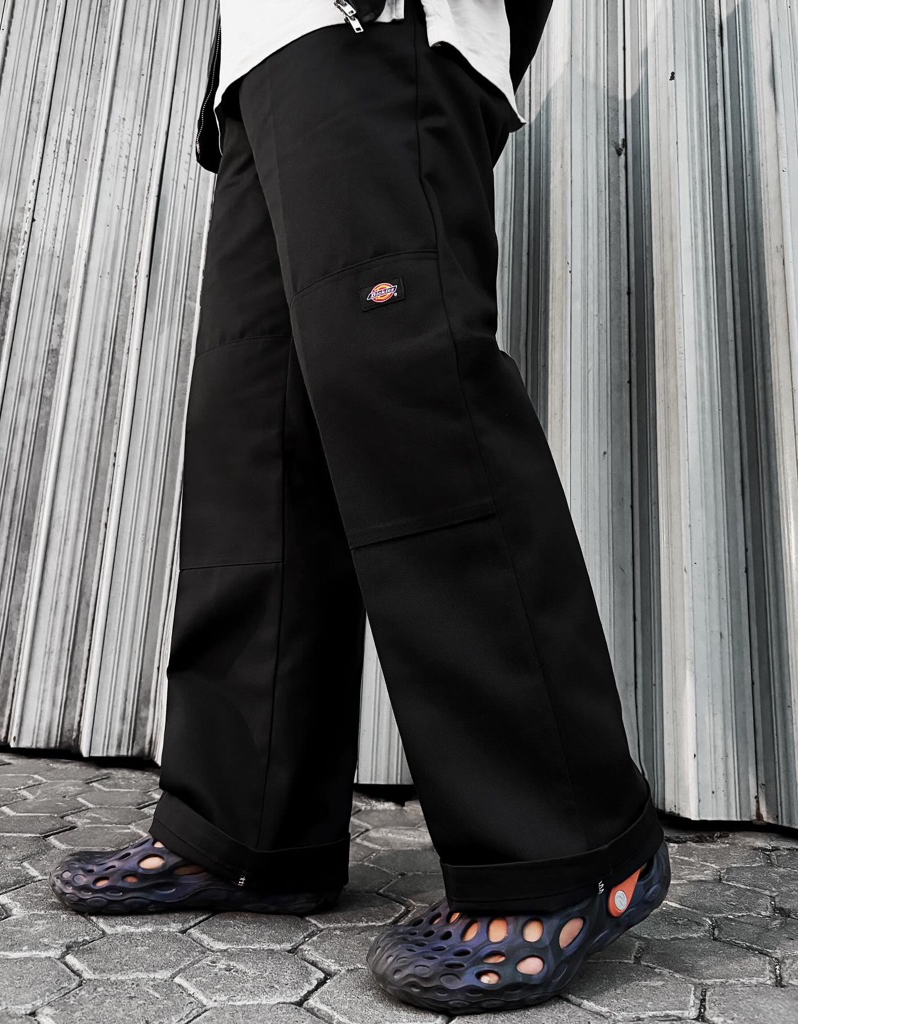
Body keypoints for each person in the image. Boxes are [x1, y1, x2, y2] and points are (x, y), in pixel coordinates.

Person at [49, 1, 670, 1013]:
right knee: (255, 442)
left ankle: (563, 848)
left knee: (406, 393)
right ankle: (248, 830)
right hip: (259, 63)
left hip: (375, 25)